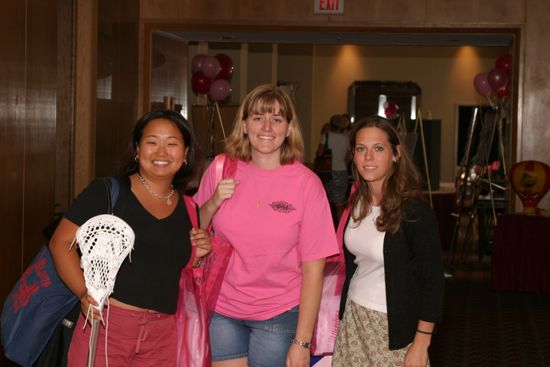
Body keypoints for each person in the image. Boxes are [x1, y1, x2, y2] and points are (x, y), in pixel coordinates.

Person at [49, 109, 212, 366]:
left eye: (172, 144)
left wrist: (197, 257)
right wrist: (83, 293)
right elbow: (60, 242)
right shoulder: (108, 192)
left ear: (186, 154)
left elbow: (168, 267)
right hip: (107, 326)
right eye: (151, 142)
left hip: (163, 336)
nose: (161, 152)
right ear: (137, 149)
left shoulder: (189, 209)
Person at [194, 84, 339, 367]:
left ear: (288, 128)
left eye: (277, 119)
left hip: (279, 312)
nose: (267, 127)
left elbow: (314, 268)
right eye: (258, 117)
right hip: (222, 307)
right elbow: (195, 228)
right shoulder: (221, 168)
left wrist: (302, 341)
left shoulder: (306, 184)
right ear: (245, 124)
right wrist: (212, 202)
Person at [332, 116, 445, 367]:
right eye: (361, 149)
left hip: (393, 328)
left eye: (378, 148)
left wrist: (421, 343)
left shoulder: (414, 211)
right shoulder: (356, 204)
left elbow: (433, 283)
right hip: (354, 320)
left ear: (396, 154)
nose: (368, 157)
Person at [316, 114, 351, 223]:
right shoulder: (346, 138)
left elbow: (320, 153)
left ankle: (325, 229)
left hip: (328, 173)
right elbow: (348, 157)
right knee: (339, 206)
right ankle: (340, 233)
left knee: (325, 204)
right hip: (342, 174)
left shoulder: (326, 136)